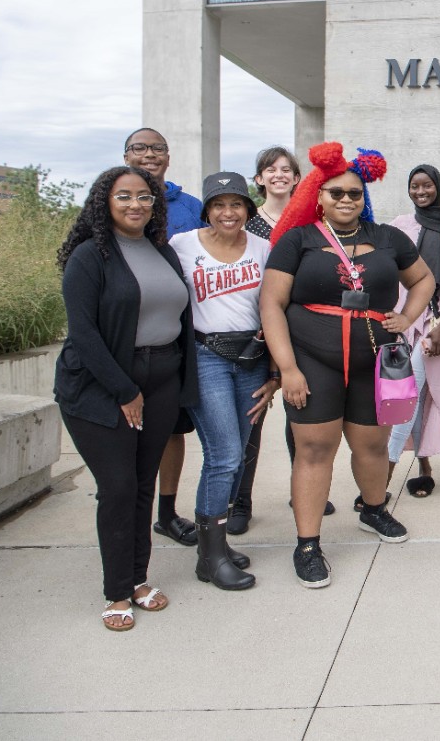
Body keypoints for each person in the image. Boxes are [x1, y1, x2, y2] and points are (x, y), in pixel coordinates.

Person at [261, 142, 435, 588]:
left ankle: (373, 510)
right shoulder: (298, 240)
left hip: (373, 362)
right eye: (335, 192)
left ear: (364, 196)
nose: (345, 199)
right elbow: (272, 304)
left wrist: (408, 316)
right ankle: (307, 545)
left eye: (354, 193)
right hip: (312, 362)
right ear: (318, 195)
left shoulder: (388, 238)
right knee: (315, 450)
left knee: (372, 445)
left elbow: (423, 279)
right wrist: (287, 368)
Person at [54, 166, 198, 630]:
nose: (135, 204)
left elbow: (181, 319)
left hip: (162, 380)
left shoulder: (162, 251)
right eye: (124, 196)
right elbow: (83, 333)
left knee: (141, 484)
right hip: (101, 386)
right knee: (117, 487)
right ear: (105, 202)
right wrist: (124, 390)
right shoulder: (89, 256)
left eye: (144, 197)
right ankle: (116, 591)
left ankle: (138, 579)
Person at [170, 172, 279, 590]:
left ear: (248, 210)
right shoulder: (182, 246)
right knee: (224, 455)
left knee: (239, 455)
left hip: (251, 359)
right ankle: (210, 558)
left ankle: (215, 546)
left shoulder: (262, 248)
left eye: (236, 204)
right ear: (207, 210)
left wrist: (274, 372)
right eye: (219, 204)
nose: (228, 212)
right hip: (206, 357)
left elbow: (273, 308)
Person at [229, 147, 337, 535]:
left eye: (286, 169)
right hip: (254, 330)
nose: (279, 174)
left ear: (297, 177)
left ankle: (303, 490)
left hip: (299, 327)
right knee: (251, 417)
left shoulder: (310, 218)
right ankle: (240, 500)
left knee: (301, 414)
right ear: (259, 178)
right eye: (270, 169)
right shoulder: (245, 222)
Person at [122, 128, 206, 547]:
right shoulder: (111, 202)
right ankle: (125, 509)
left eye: (157, 148)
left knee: (171, 429)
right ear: (126, 156)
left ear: (168, 157)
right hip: (125, 336)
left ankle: (167, 513)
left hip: (175, 335)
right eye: (139, 148)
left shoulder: (190, 207)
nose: (149, 154)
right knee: (123, 431)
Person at [384, 164, 440, 498]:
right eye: (415, 186)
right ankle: (424, 467)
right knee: (407, 396)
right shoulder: (398, 226)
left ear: (438, 187)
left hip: (435, 325)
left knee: (413, 394)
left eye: (427, 185)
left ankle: (383, 477)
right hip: (402, 322)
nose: (421, 192)